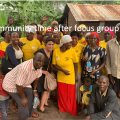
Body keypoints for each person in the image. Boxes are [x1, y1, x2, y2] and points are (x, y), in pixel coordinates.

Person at [2, 52, 46, 119]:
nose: (41, 63)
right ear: (34, 59)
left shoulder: (38, 66)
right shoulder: (24, 67)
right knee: (22, 102)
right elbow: (19, 85)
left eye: (43, 61)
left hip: (24, 83)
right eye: (39, 61)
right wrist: (23, 97)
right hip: (11, 84)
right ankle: (24, 117)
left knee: (31, 96)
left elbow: (37, 77)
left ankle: (29, 113)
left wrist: (34, 90)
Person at [52, 35, 78, 116]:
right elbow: (54, 65)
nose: (71, 44)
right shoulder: (56, 51)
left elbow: (76, 64)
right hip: (61, 76)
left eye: (71, 42)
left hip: (70, 76)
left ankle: (70, 108)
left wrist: (76, 75)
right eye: (69, 43)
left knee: (70, 94)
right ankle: (62, 108)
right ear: (64, 43)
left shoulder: (72, 51)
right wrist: (62, 70)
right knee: (62, 94)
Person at [34, 37, 55, 113]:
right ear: (45, 44)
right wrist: (42, 71)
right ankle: (41, 107)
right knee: (45, 91)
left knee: (48, 89)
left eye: (52, 44)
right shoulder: (40, 52)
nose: (51, 46)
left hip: (46, 72)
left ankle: (45, 102)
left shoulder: (52, 52)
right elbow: (34, 64)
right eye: (49, 44)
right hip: (39, 73)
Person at [6, 31, 23, 113]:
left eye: (17, 37)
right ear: (11, 38)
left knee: (17, 87)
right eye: (14, 37)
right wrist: (23, 67)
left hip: (19, 68)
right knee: (15, 87)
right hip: (14, 69)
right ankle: (12, 105)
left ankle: (14, 103)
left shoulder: (18, 46)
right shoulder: (9, 48)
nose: (16, 38)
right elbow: (13, 61)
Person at [106, 23, 120, 98]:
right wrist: (110, 75)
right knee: (112, 97)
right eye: (118, 29)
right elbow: (108, 60)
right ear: (115, 31)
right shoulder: (109, 43)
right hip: (113, 76)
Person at [70, 30, 84, 104]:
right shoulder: (68, 46)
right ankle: (70, 102)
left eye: (76, 38)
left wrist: (81, 73)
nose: (74, 40)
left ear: (78, 38)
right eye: (72, 38)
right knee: (71, 87)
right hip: (69, 70)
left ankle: (77, 102)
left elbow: (82, 61)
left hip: (78, 70)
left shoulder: (81, 47)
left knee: (77, 87)